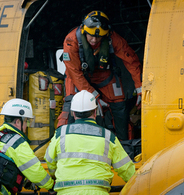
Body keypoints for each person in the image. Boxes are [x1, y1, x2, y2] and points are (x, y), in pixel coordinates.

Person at [58, 10, 142, 140]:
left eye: (98, 37)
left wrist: (140, 86)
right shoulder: (71, 41)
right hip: (77, 78)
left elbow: (131, 61)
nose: (94, 39)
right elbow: (75, 72)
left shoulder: (113, 38)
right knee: (70, 109)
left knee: (120, 110)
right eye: (91, 35)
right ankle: (63, 142)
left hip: (105, 77)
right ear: (84, 30)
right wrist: (94, 96)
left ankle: (124, 144)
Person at [45, 90, 135, 194]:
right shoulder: (108, 137)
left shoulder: (61, 134)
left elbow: (49, 160)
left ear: (72, 112)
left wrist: (53, 175)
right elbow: (127, 169)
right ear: (95, 111)